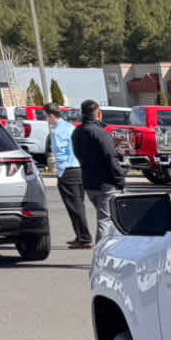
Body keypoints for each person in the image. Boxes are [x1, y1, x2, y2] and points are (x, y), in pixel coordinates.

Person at [71, 100, 125, 243]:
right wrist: (120, 180)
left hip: (89, 182)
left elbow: (79, 154)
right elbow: (110, 158)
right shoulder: (100, 133)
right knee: (106, 220)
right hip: (106, 183)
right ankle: (101, 253)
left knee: (109, 219)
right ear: (98, 114)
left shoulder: (77, 132)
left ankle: (112, 249)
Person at [44, 104, 92, 248]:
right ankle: (80, 236)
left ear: (52, 116)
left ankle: (84, 238)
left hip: (68, 170)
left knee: (74, 206)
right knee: (78, 205)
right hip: (78, 169)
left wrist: (60, 171)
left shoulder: (57, 132)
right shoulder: (70, 127)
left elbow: (60, 154)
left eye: (46, 116)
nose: (46, 119)